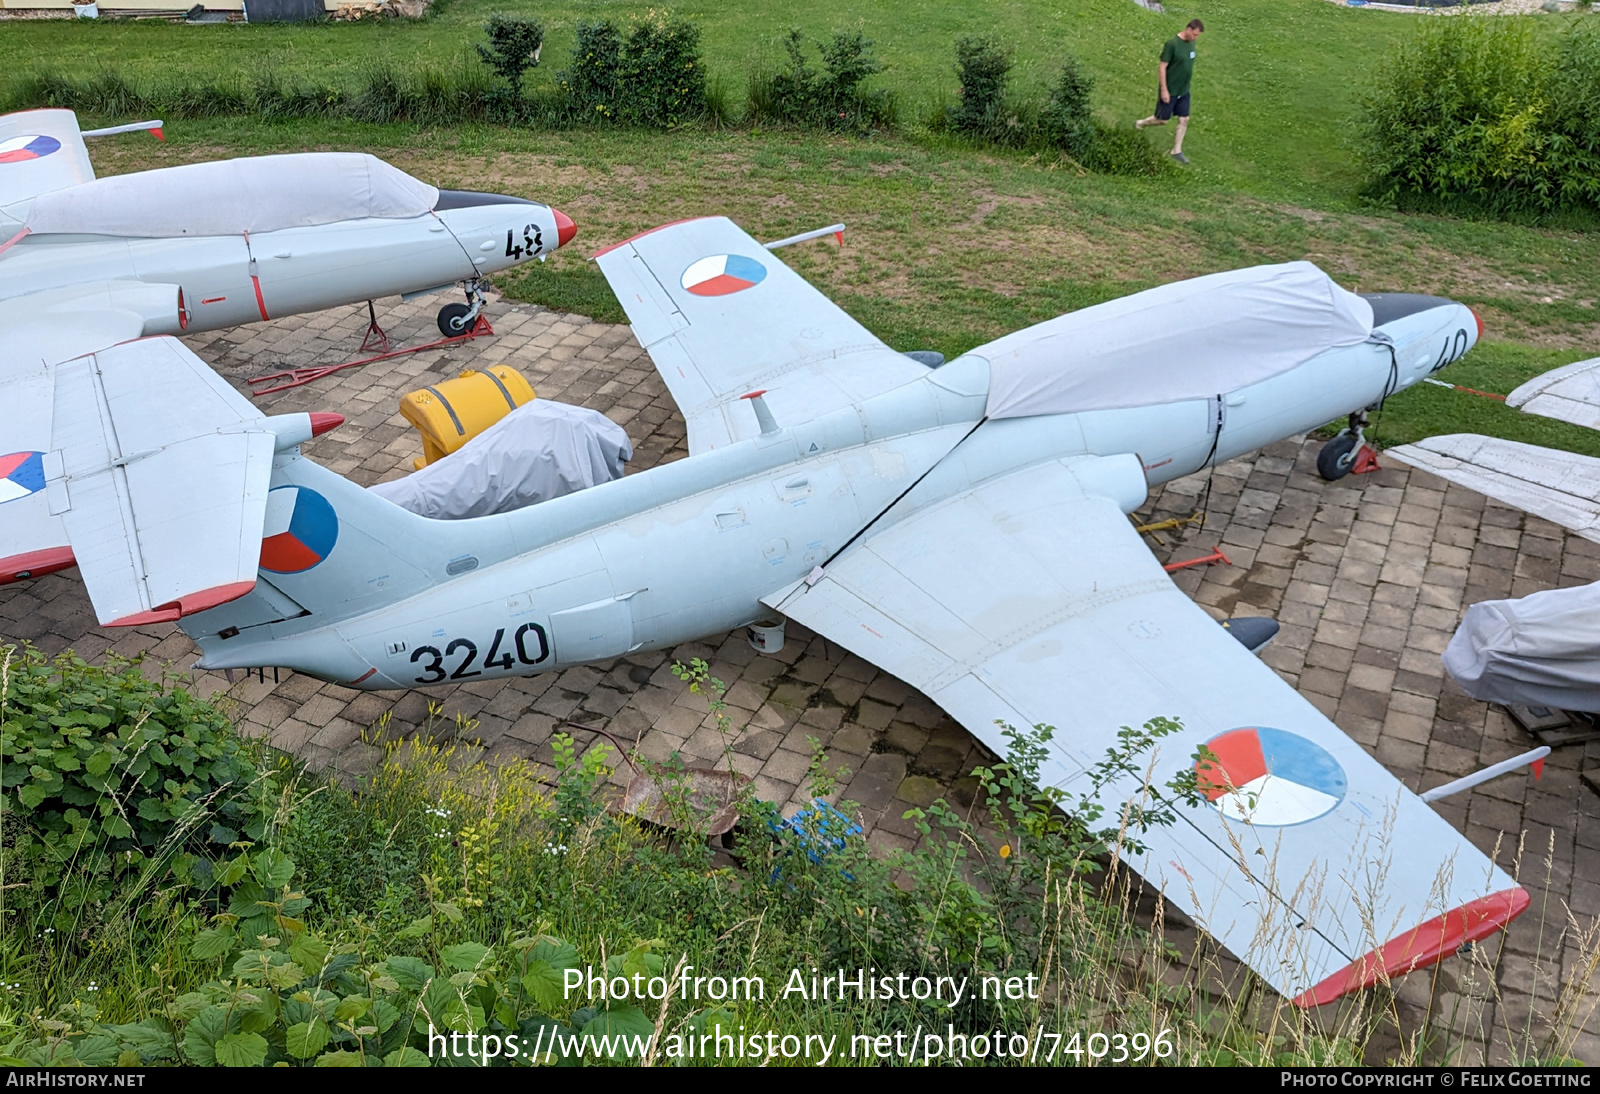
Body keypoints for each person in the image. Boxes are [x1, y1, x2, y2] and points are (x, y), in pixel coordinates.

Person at [1135, 19, 1204, 165]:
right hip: (1170, 89)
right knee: (1162, 120)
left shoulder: (1191, 43)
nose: (1196, 38)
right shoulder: (1172, 44)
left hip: (1184, 89)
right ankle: (1140, 123)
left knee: (1184, 119)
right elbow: (1162, 67)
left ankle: (1176, 151)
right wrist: (1164, 90)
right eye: (1195, 34)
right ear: (1188, 29)